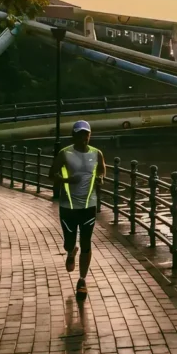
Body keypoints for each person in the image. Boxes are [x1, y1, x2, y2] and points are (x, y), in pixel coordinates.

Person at [50, 120, 106, 301]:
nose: (84, 137)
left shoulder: (97, 154)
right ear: (73, 136)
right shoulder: (64, 154)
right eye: (80, 134)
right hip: (68, 207)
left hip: (88, 206)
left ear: (90, 134)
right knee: (68, 242)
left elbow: (102, 171)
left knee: (87, 243)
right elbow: (52, 174)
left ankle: (82, 280)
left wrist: (100, 178)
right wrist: (66, 181)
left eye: (86, 133)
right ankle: (70, 250)